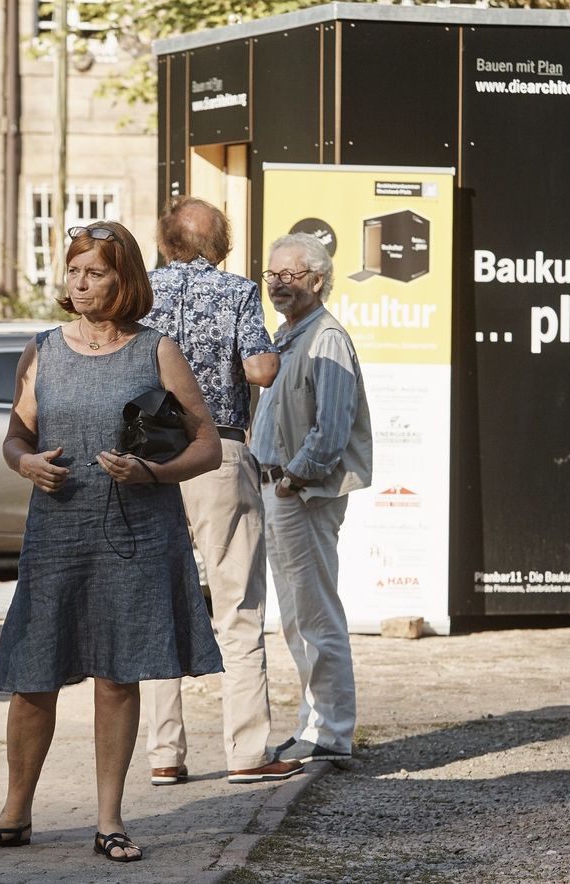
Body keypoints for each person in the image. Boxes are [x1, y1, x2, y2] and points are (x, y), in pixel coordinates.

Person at [0, 221, 223, 863]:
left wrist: (152, 472)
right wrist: (23, 463)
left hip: (135, 533)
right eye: (73, 270)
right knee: (33, 675)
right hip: (57, 534)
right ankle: (14, 813)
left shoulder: (156, 350)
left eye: (95, 272)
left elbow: (208, 445)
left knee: (117, 676)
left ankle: (109, 820)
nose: (80, 283)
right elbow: (16, 436)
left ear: (124, 278)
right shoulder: (43, 349)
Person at [140, 197, 300, 785]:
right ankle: (248, 753)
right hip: (219, 454)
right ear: (221, 241)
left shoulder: (140, 292)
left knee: (160, 605)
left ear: (165, 242)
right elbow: (259, 371)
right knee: (238, 606)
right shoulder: (234, 292)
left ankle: (164, 754)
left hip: (151, 460)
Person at [250, 232, 372, 764]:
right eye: (271, 275)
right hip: (282, 491)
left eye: (289, 276)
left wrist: (292, 479)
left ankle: (330, 733)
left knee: (316, 615)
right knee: (298, 617)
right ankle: (314, 726)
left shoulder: (326, 338)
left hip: (302, 494)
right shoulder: (289, 334)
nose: (277, 284)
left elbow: (332, 428)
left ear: (317, 281)